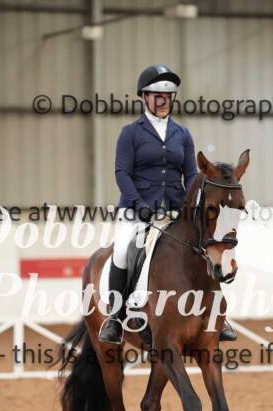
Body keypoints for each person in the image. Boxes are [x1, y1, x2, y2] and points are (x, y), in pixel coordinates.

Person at [98, 65, 236, 344]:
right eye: (157, 96)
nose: (163, 101)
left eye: (168, 97)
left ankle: (217, 315)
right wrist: (138, 203)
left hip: (176, 209)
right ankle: (115, 317)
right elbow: (122, 173)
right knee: (123, 249)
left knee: (205, 247)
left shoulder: (182, 134)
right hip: (136, 209)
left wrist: (191, 206)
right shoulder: (130, 133)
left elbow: (190, 175)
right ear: (145, 97)